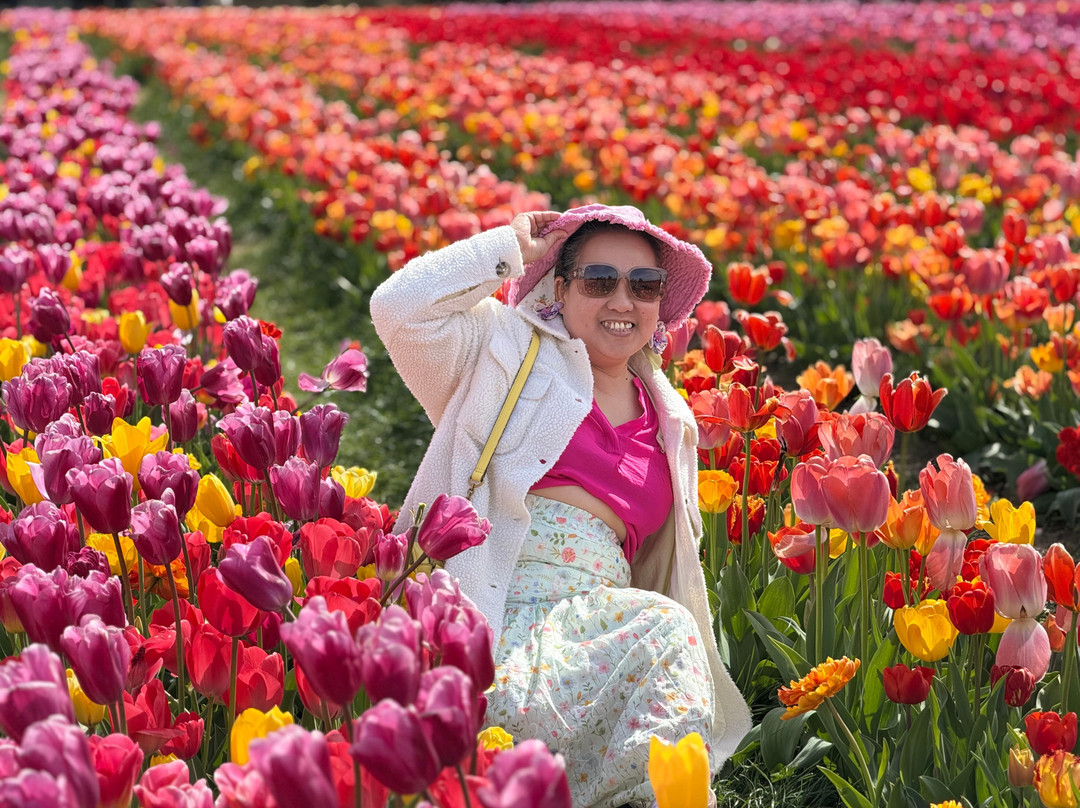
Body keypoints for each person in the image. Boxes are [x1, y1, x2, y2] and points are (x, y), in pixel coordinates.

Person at [370, 204, 752, 807]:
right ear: (560, 287)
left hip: (602, 627)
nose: (623, 302)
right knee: (664, 631)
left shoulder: (669, 416)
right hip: (493, 611)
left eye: (643, 286)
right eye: (600, 281)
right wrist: (507, 247)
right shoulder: (502, 351)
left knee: (664, 637)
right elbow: (397, 309)